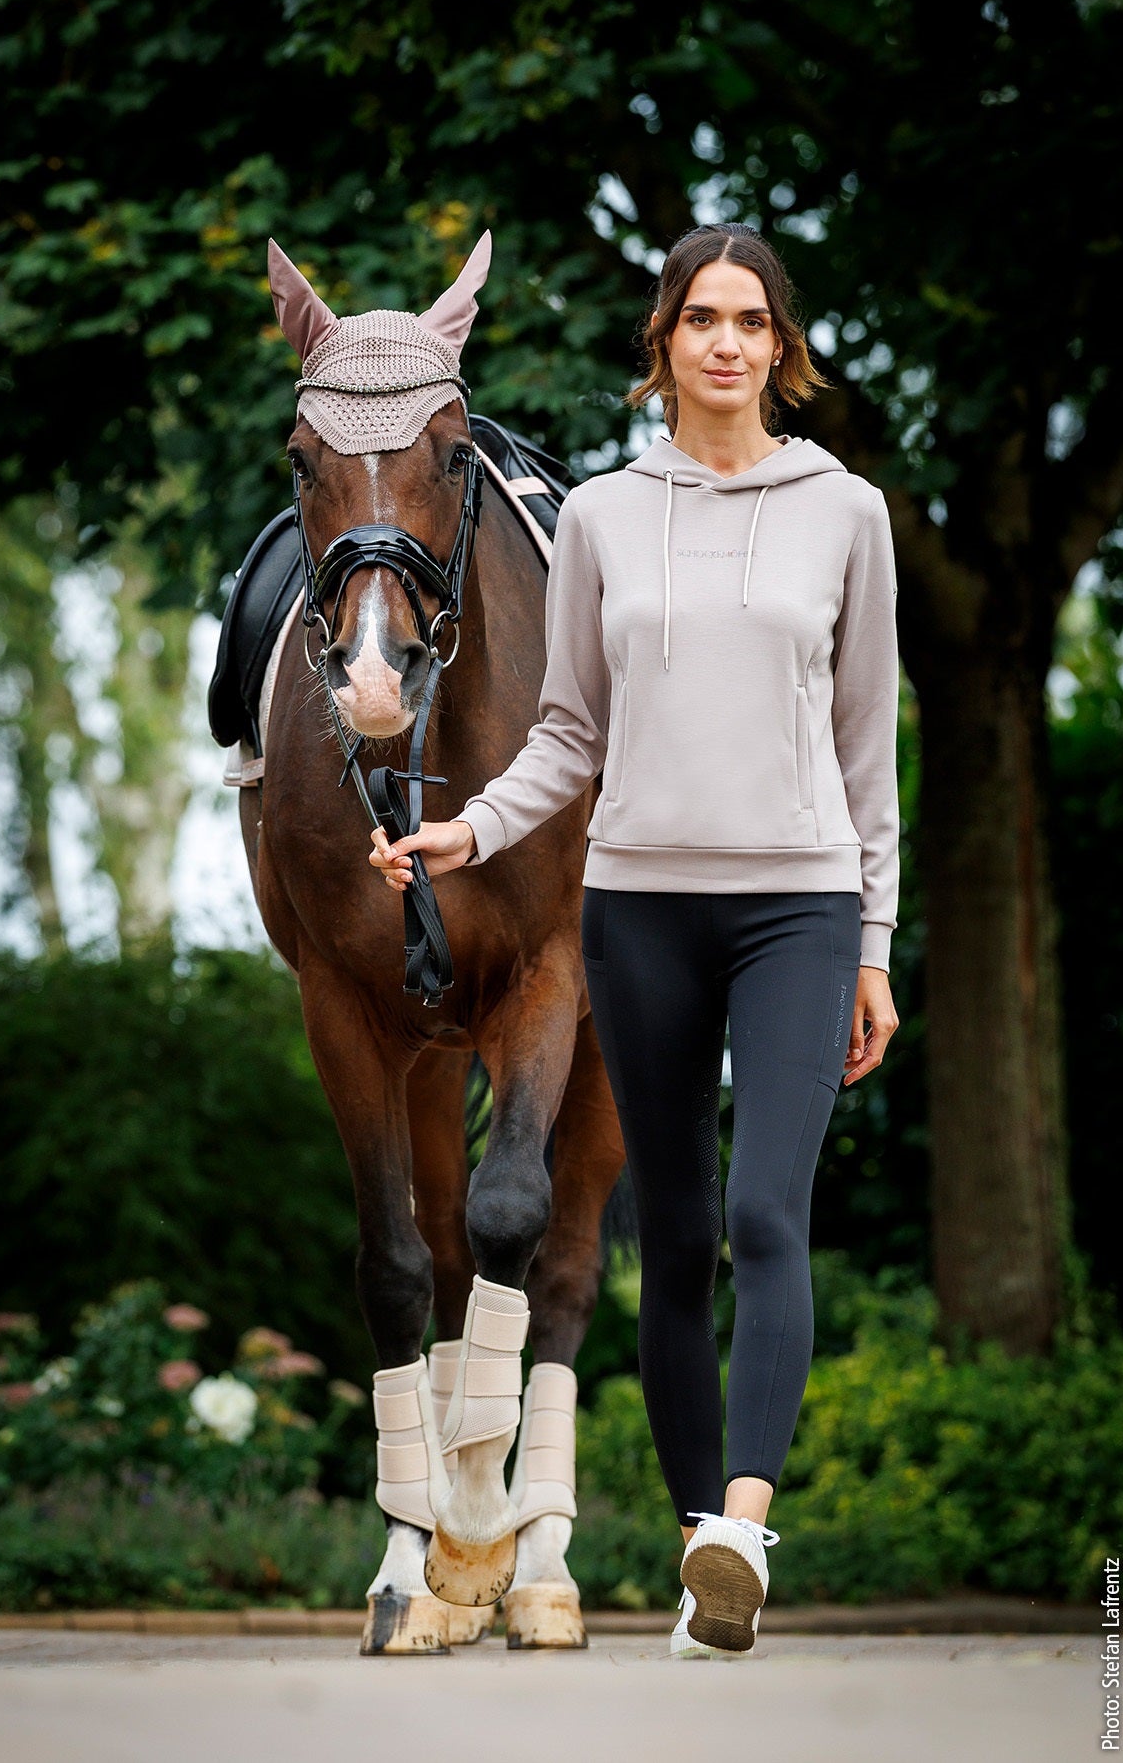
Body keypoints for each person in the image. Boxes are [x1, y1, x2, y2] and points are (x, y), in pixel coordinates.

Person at [368, 222, 901, 1656]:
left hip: (799, 900)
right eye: (697, 318)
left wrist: (874, 941)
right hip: (642, 907)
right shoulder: (601, 516)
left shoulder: (844, 512)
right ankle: (693, 1559)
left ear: (779, 349)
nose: (723, 342)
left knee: (757, 1217)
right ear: (660, 343)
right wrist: (464, 833)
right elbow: (566, 734)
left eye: (749, 320)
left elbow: (866, 747)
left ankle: (739, 1520)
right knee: (666, 1233)